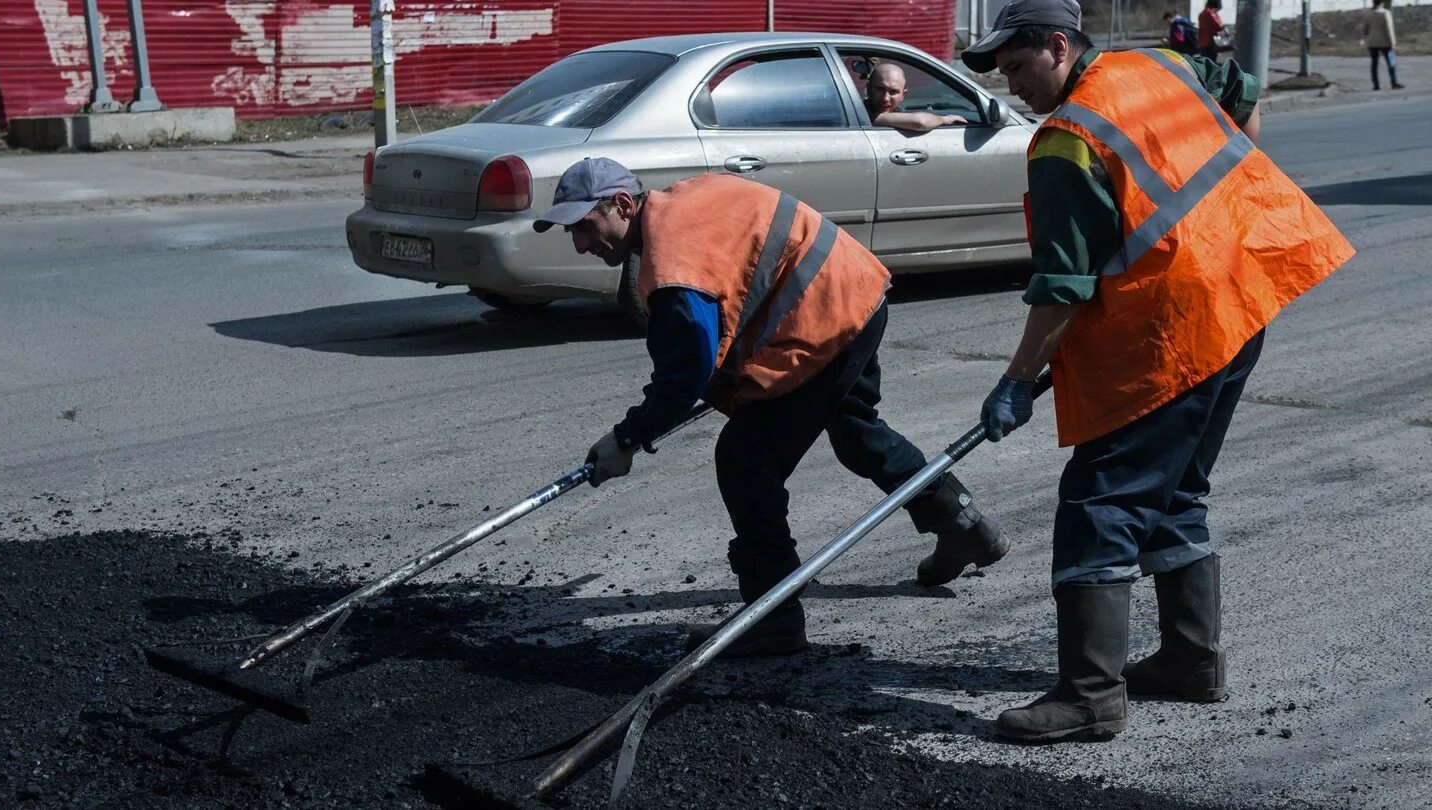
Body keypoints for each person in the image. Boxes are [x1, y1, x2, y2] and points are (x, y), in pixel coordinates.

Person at [959, 0, 1354, 742]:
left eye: (1018, 66)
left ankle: (1089, 696)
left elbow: (1062, 289)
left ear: (1057, 45)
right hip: (1242, 298)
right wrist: (1225, 219)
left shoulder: (1066, 141)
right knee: (1175, 490)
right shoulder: (1159, 63)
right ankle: (1189, 661)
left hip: (1173, 335)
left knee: (1099, 505)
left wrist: (1016, 378)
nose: (1013, 86)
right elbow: (1244, 89)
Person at [532, 158, 1005, 657]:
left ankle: (772, 616)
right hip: (854, 290)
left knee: (745, 462)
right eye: (572, 232)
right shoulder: (688, 196)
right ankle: (965, 526)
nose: (581, 244)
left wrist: (627, 438)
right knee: (855, 430)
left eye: (585, 226)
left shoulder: (673, 265)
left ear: (623, 205)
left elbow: (684, 374)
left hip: (821, 322)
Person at [865, 62, 968, 131]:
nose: (885, 98)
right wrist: (944, 120)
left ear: (903, 95)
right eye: (880, 89)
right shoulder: (862, 115)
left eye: (893, 92)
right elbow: (920, 122)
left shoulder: (897, 112)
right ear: (868, 88)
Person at [1364, 0, 1405, 90]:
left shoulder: (1368, 14)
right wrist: (1393, 43)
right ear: (1382, 3)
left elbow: (1365, 29)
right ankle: (1394, 82)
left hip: (1372, 42)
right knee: (1392, 62)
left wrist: (1368, 37)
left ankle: (1376, 85)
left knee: (1374, 64)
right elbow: (1389, 30)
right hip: (1385, 42)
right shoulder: (1386, 13)